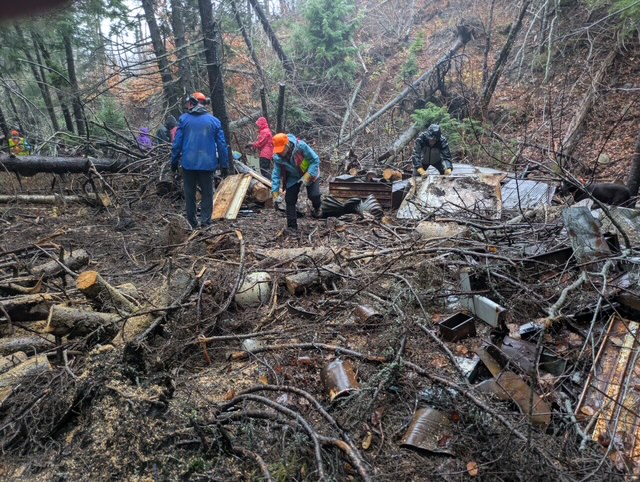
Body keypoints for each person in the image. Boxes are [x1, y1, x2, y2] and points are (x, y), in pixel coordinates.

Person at [172, 91, 229, 229]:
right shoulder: (214, 121)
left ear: (192, 103)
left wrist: (173, 162)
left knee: (190, 194)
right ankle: (205, 222)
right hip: (207, 164)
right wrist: (224, 165)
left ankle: (192, 223)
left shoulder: (184, 120)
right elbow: (222, 145)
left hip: (188, 164)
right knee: (207, 194)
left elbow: (177, 144)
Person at [271, 133, 321, 234]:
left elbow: (315, 160)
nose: (280, 153)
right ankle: (292, 227)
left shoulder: (301, 147)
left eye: (282, 150)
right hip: (293, 177)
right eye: (278, 150)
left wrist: (307, 176)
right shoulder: (278, 158)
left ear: (287, 145)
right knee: (289, 199)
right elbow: (276, 175)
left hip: (310, 172)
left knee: (314, 195)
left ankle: (317, 208)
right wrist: (275, 193)